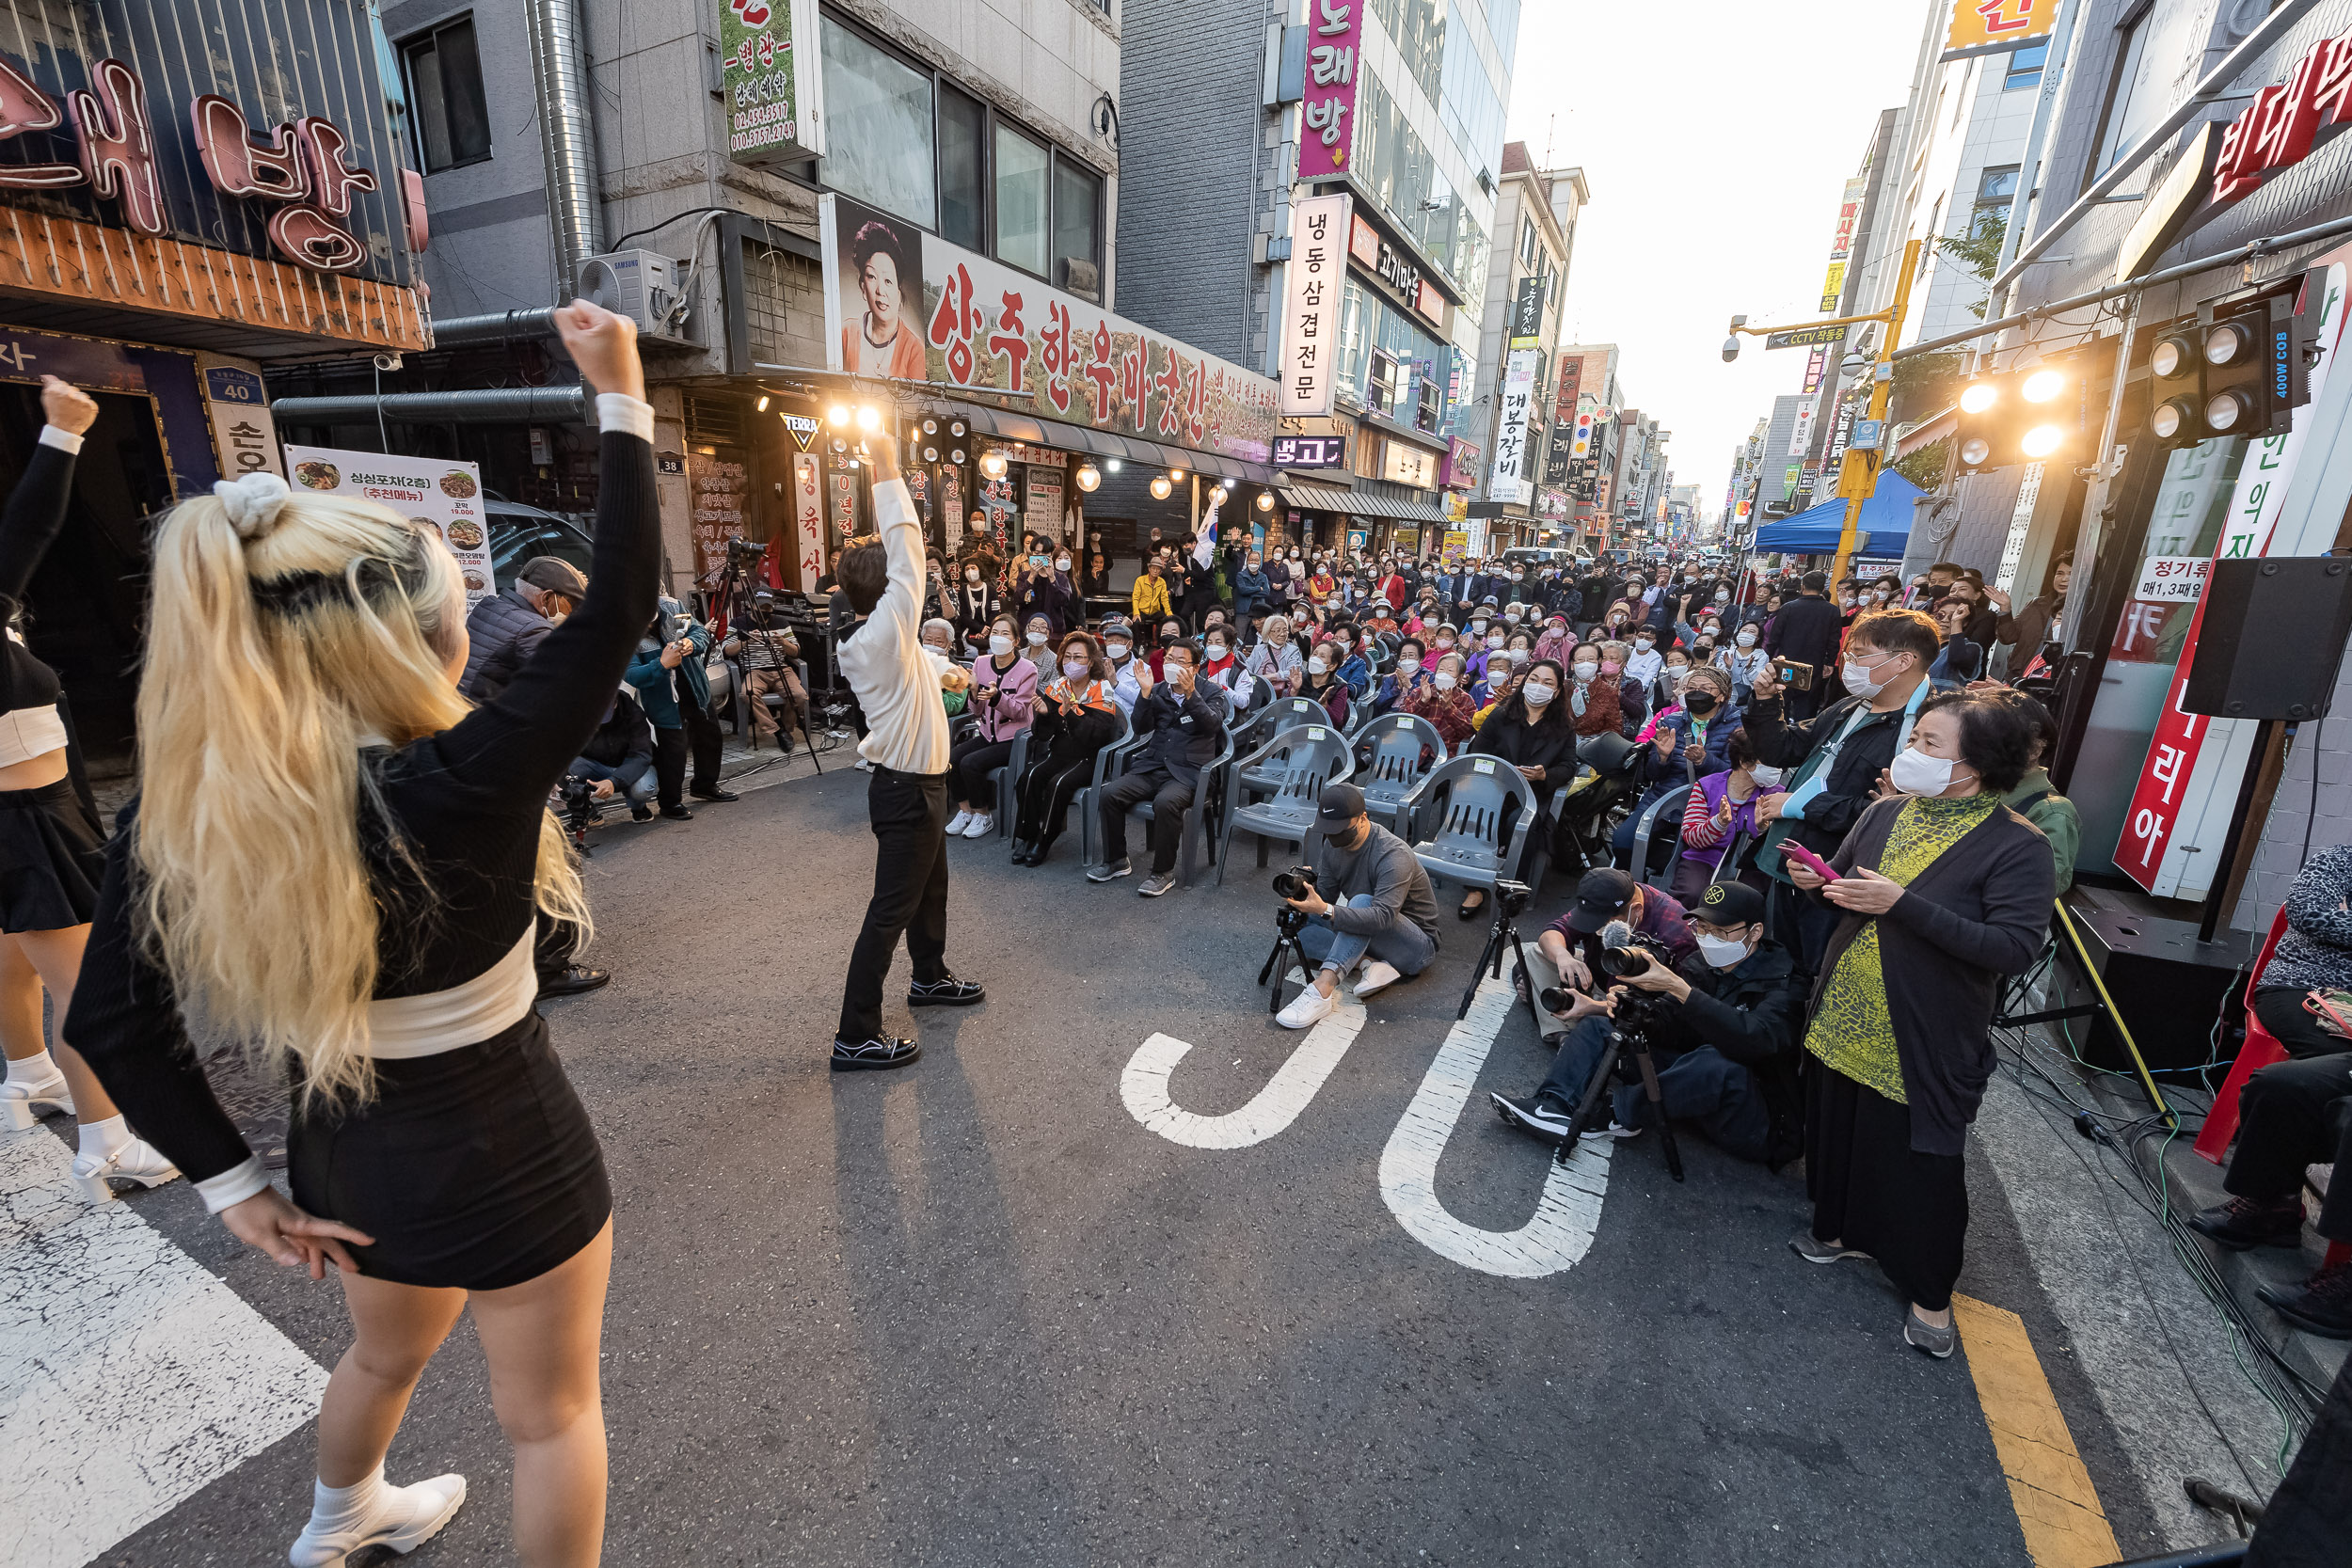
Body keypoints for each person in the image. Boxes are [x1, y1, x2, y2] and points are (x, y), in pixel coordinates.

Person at [62, 302, 658, 1565]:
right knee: (549, 1418)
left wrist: (233, 1186)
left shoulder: (187, 813)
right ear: (418, 649)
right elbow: (612, 615)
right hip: (509, 1150)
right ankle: (349, 1512)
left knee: (385, 1348)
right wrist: (621, 390)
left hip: (342, 1152)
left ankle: (340, 1515)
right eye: (457, 619)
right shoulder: (465, 774)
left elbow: (108, 1017)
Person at [1784, 691, 2053, 1359]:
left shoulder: (2018, 845)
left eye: (1932, 744)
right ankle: (1838, 1229)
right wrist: (1816, 881)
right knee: (1839, 1126)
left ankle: (1930, 1294)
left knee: (1923, 1162)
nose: (1914, 753)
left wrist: (1902, 905)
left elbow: (2012, 947)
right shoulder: (1885, 811)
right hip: (1846, 1004)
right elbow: (1847, 881)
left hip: (1925, 1028)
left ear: (1978, 763)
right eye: (1918, 739)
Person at [0, 377, 180, 1200]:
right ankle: (107, 1143)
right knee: (84, 984)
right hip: (33, 818)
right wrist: (66, 433)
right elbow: (28, 526)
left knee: (14, 963)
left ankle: (26, 1077)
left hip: (18, 815)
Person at [830, 427, 985, 1071]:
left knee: (931, 888)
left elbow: (920, 658)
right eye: (900, 579)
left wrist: (945, 672)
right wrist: (887, 466)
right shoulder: (883, 631)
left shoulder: (882, 638)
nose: (911, 579)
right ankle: (855, 1034)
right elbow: (910, 547)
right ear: (889, 588)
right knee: (888, 912)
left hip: (919, 784)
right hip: (905, 788)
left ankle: (929, 976)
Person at [1491, 880, 1804, 1164]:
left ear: (1755, 932)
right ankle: (1550, 1107)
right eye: (1702, 928)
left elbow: (1755, 1040)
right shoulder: (1702, 964)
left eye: (1719, 932)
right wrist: (1629, 1007)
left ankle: (1614, 1113)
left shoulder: (1785, 980)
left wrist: (1679, 989)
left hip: (1755, 1118)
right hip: (1691, 1088)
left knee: (1718, 1061)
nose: (1707, 939)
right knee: (1603, 1027)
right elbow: (1671, 1026)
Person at [1745, 607, 1942, 976]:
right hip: (1788, 857)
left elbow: (1890, 813)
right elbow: (1782, 750)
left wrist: (1800, 804)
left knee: (1818, 971)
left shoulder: (1927, 730)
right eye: (1848, 654)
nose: (1848, 663)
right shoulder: (1848, 707)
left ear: (1902, 661)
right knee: (1780, 969)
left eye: (1860, 655)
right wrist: (1767, 701)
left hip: (1840, 877)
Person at [1275, 783, 1442, 1028]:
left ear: (1363, 818)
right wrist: (1304, 892)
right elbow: (1326, 896)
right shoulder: (1333, 846)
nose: (1334, 837)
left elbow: (1382, 917)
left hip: (1414, 946)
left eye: (1341, 829)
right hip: (1371, 931)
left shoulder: (1393, 854)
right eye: (1328, 830)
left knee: (1362, 901)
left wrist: (1325, 909)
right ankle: (1368, 963)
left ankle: (1322, 989)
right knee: (1295, 922)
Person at [1091, 637, 1223, 897]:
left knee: (1166, 803)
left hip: (1189, 771)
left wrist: (1190, 694)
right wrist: (1145, 694)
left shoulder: (1211, 692)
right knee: (1109, 793)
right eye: (1170, 659)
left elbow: (1212, 725)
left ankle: (1162, 872)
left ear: (1195, 668)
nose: (1173, 665)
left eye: (1181, 662)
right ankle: (1117, 859)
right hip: (1154, 765)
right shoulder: (1159, 689)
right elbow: (1140, 728)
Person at [1515, 867, 1698, 1046]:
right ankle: (1564, 1034)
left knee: (1623, 1026)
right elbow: (1553, 933)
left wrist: (1594, 1006)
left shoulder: (1676, 934)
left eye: (1601, 923)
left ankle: (1561, 1016)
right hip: (1598, 976)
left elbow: (1665, 1008)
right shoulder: (1606, 895)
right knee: (1538, 953)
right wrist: (1563, 957)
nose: (1596, 928)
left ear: (1637, 910)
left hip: (1636, 1004)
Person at [1457, 658, 1580, 920]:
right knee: (1484, 812)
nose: (1539, 687)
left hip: (1532, 793)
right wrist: (1496, 772)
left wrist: (1545, 774)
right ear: (1524, 682)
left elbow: (1569, 765)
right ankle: (1475, 886)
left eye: (1548, 683)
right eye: (1534, 680)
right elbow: (1478, 751)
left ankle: (1513, 886)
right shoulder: (1500, 715)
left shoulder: (1564, 727)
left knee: (1520, 823)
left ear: (1557, 692)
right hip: (1494, 786)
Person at [1010, 632, 1123, 866]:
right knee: (1029, 775)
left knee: (1058, 784)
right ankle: (1027, 835)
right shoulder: (1058, 686)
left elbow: (1096, 736)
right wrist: (1042, 715)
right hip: (1059, 752)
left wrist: (1070, 712)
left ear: (1091, 661)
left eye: (1079, 657)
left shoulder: (1102, 690)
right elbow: (1043, 734)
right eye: (1068, 656)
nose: (1072, 662)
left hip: (1089, 758)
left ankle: (1044, 840)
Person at [626, 602, 733, 819]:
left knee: (710, 737)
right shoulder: (623, 629)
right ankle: (670, 802)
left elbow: (699, 631)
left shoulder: (671, 607)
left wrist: (691, 643)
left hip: (696, 689)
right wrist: (661, 664)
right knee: (673, 753)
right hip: (663, 700)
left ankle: (705, 785)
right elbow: (631, 674)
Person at [946, 615, 1037, 840]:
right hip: (988, 733)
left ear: (1016, 641)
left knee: (971, 763)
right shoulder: (981, 662)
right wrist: (974, 691)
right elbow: (976, 711)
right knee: (951, 758)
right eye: (995, 632)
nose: (999, 638)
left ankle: (983, 815)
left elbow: (1021, 712)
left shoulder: (1027, 669)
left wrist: (997, 698)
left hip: (1013, 739)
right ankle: (965, 810)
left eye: (1005, 634)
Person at [459, 555, 586, 703]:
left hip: (461, 706)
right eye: (572, 606)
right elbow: (564, 689)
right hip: (483, 716)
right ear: (547, 598)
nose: (571, 614)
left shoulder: (489, 607)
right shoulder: (534, 630)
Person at [1674, 727, 1774, 903]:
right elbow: (1690, 836)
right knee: (1692, 894)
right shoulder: (1706, 787)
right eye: (1769, 761)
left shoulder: (1775, 795)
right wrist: (1718, 824)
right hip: (1704, 857)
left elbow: (1776, 848)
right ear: (1744, 761)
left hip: (1749, 865)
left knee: (1743, 901)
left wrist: (1763, 830)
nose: (1777, 768)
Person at [842, 219, 929, 378]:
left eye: (888, 281)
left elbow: (918, 401)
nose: (880, 290)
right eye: (872, 277)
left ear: (899, 291)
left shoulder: (914, 350)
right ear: (862, 286)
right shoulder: (846, 333)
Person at [724, 588, 805, 751]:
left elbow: (796, 651)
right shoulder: (738, 623)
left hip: (781, 668)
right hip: (754, 670)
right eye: (760, 607)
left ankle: (785, 726)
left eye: (767, 608)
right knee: (748, 694)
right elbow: (727, 650)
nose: (763, 611)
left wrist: (782, 642)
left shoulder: (782, 623)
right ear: (752, 605)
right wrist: (747, 641)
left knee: (799, 695)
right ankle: (777, 731)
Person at [567, 689, 659, 824]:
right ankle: (586, 813)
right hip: (599, 766)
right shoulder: (576, 714)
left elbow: (641, 755)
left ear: (615, 703)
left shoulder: (633, 713)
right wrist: (552, 783)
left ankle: (638, 807)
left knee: (642, 788)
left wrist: (613, 781)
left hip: (634, 766)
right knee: (566, 768)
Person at [1765, 571, 1843, 722]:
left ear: (1803, 586)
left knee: (1782, 702)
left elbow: (1774, 637)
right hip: (1814, 664)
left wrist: (1770, 657)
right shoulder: (1832, 610)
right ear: (1822, 587)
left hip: (1786, 662)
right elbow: (1834, 640)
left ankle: (1781, 734)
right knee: (1807, 707)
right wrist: (1829, 662)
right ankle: (1802, 737)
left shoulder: (1789, 607)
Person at [1989, 552, 2071, 676]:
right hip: (2018, 676)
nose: (2064, 579)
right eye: (2060, 573)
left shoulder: (2085, 610)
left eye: (2072, 574)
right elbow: (2008, 637)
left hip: (2050, 677)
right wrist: (2005, 609)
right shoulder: (2037, 604)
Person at [1402, 652, 1477, 752]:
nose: (1444, 674)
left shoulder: (1465, 700)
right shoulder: (1419, 691)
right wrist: (1423, 701)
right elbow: (1401, 719)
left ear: (1459, 677)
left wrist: (1450, 708)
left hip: (1444, 753)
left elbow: (1469, 731)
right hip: (1414, 749)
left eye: (1450, 670)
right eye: (1441, 669)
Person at [1297, 639, 1354, 728]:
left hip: (1320, 732)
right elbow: (1287, 713)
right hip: (1296, 728)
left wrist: (1325, 706)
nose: (1315, 658)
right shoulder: (1300, 678)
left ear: (1332, 666)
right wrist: (1294, 691)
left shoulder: (1340, 688)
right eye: (1314, 654)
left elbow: (1336, 724)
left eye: (1322, 656)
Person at [1130, 555, 1173, 623]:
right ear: (1149, 569)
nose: (1155, 571)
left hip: (1155, 612)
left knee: (1167, 621)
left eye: (1158, 569)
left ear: (1160, 571)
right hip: (1142, 611)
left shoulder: (1162, 582)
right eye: (1153, 568)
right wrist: (1136, 613)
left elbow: (1164, 599)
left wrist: (1169, 613)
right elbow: (1135, 598)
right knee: (1136, 622)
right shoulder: (1140, 580)